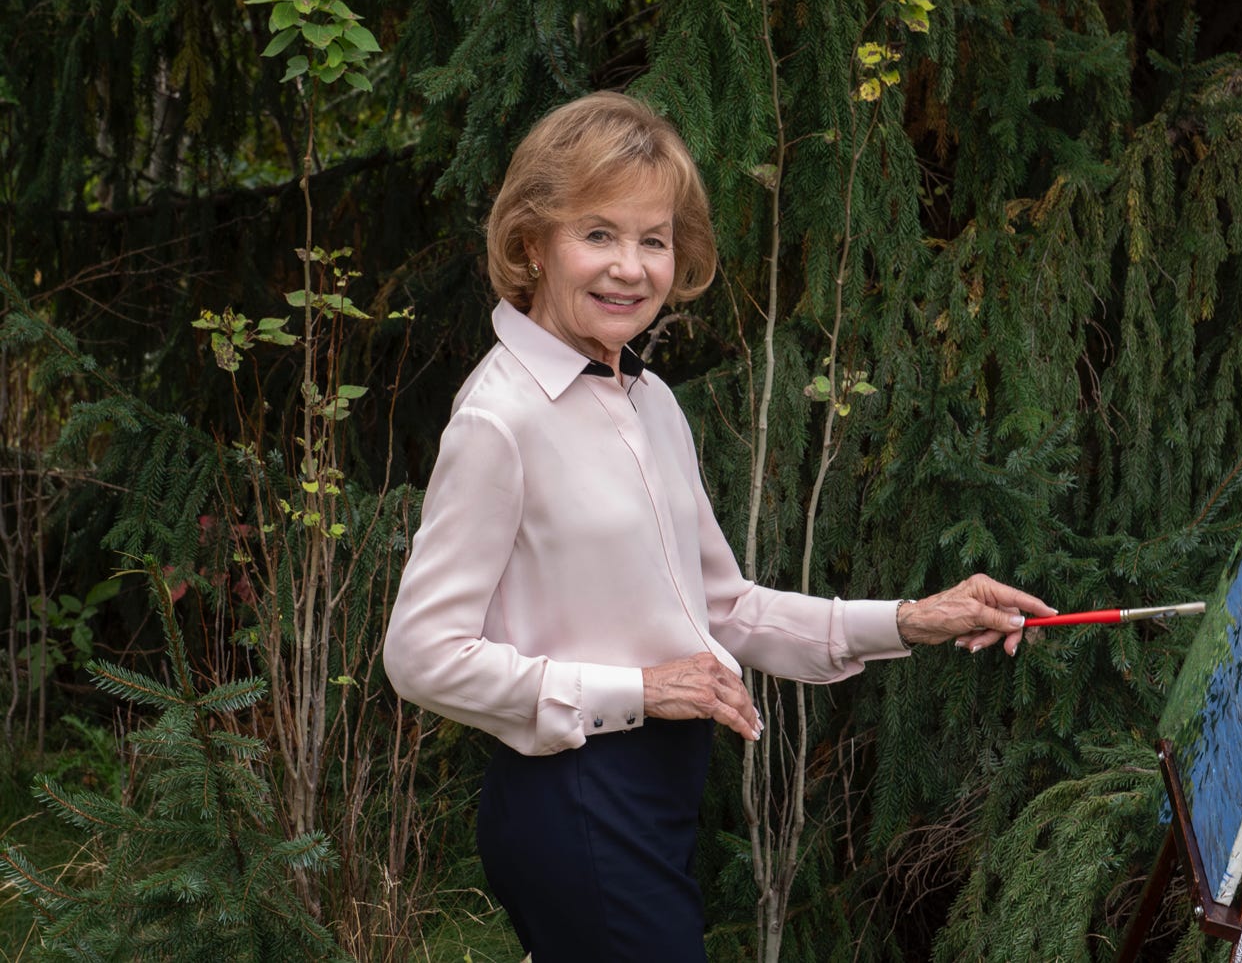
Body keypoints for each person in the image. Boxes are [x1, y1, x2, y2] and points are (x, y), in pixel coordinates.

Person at [381, 91, 1054, 961]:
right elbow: (421, 656)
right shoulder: (499, 420)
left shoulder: (650, 401)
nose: (630, 267)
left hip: (654, 798)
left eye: (652, 240)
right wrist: (639, 691)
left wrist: (912, 619)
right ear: (530, 246)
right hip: (573, 804)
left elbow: (726, 609)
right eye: (597, 234)